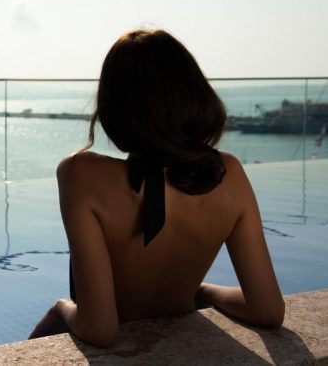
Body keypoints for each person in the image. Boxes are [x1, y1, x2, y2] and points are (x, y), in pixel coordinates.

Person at [29, 29, 284, 347]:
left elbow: (100, 330)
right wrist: (203, 291)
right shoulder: (227, 174)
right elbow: (268, 310)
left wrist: (62, 307)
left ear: (115, 105)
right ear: (194, 94)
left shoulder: (81, 174)